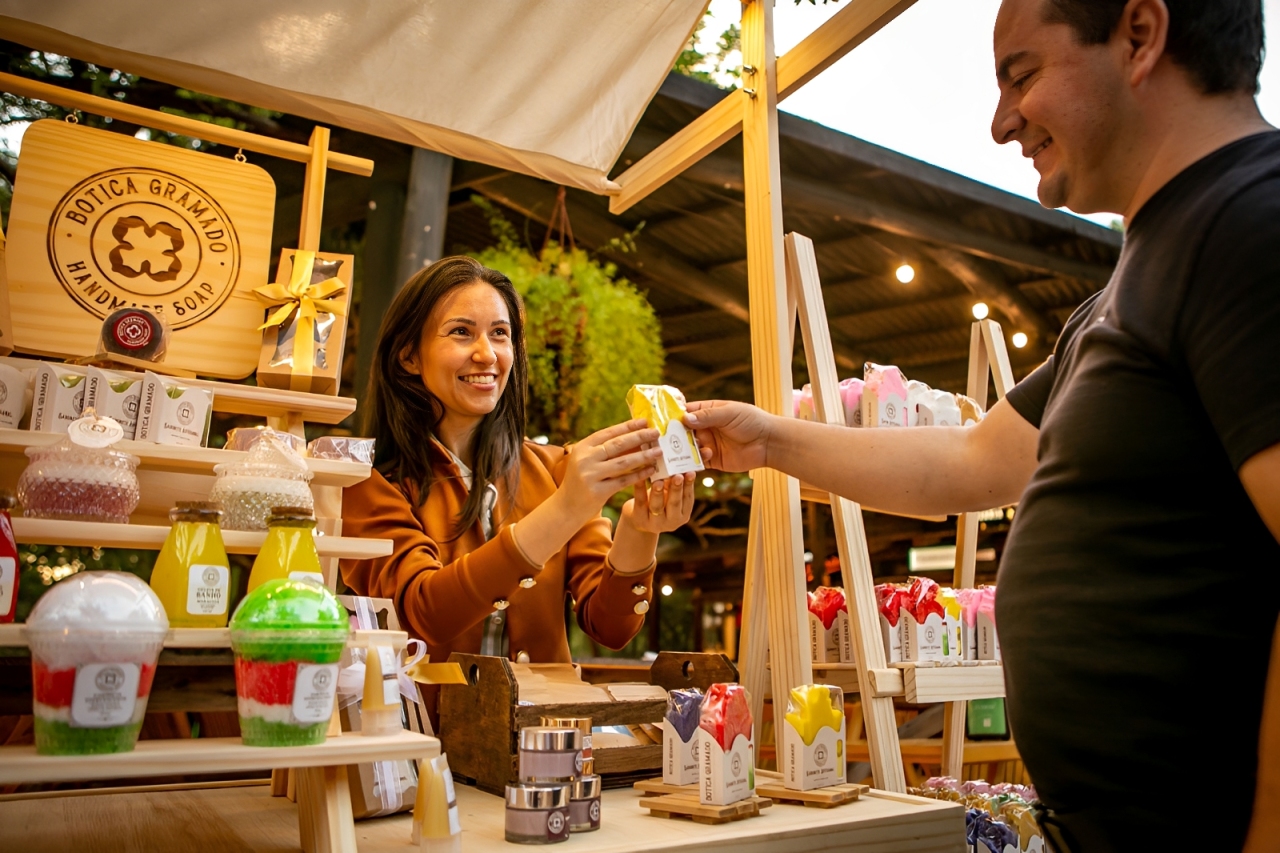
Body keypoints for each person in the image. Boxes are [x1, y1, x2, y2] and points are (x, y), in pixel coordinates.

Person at [683, 2, 1280, 850]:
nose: (1003, 123)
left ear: (1141, 35)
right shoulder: (1125, 291)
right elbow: (969, 460)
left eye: (1022, 73)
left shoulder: (1250, 223)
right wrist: (773, 440)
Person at [340, 256, 694, 721]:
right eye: (461, 332)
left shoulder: (555, 468)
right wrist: (565, 509)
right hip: (422, 753)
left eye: (500, 334)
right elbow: (426, 612)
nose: (487, 354)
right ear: (408, 355)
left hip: (547, 746)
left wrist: (639, 528)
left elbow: (610, 626)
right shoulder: (365, 483)